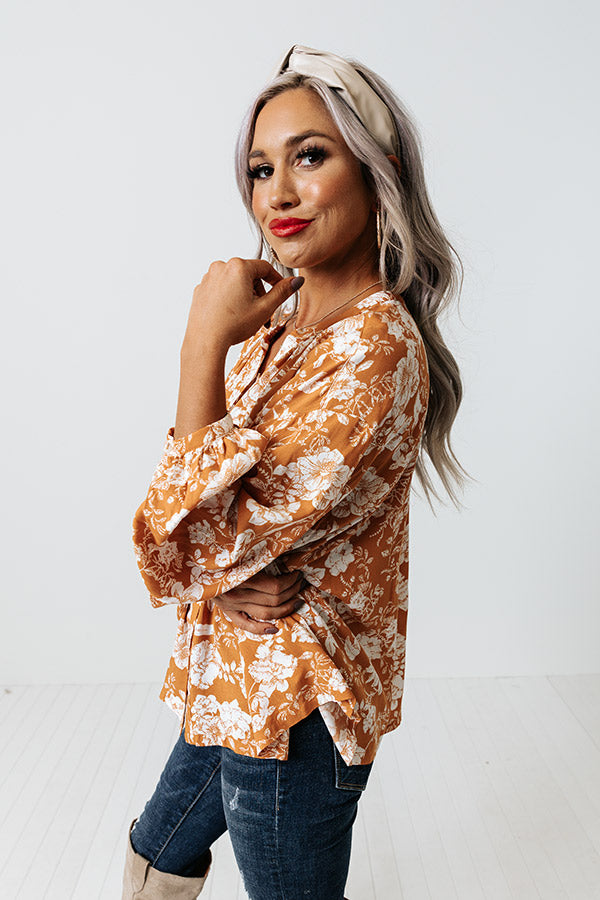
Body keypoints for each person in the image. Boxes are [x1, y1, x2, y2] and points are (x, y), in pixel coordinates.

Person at [121, 44, 469, 900]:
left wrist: (200, 344)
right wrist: (221, 574)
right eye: (260, 168)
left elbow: (186, 534)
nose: (276, 192)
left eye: (310, 156)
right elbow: (201, 528)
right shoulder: (277, 324)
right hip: (232, 676)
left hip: (295, 705)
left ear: (379, 168)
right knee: (160, 846)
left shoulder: (373, 348)